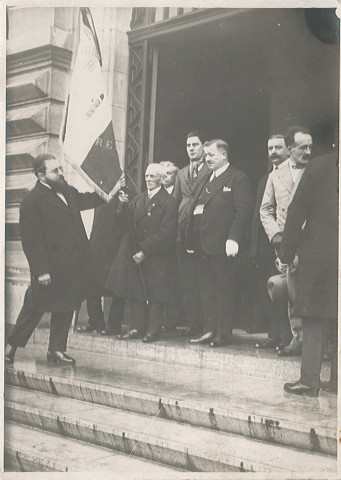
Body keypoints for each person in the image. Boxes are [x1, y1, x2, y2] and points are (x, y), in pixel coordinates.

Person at [5, 154, 121, 365]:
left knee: (66, 306)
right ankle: (10, 347)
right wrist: (41, 270)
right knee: (34, 306)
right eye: (55, 171)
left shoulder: (67, 190)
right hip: (50, 268)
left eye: (60, 169)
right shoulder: (32, 201)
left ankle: (56, 350)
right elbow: (32, 240)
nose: (61, 173)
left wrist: (111, 193)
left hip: (72, 265)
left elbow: (88, 199)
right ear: (41, 175)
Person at [279, 150, 338, 396]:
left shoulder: (319, 167)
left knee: (314, 315)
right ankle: (336, 381)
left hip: (320, 253)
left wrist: (286, 253)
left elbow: (297, 211)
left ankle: (309, 380)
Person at [187, 139, 253, 348]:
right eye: (206, 155)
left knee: (223, 290)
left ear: (224, 155)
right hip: (202, 244)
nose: (207, 158)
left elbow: (243, 211)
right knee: (206, 289)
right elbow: (197, 208)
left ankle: (223, 333)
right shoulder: (206, 178)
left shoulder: (237, 178)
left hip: (223, 245)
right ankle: (209, 329)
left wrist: (233, 238)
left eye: (211, 155)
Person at [105, 163, 178, 343]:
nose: (148, 180)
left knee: (156, 294)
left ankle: (153, 330)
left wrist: (144, 250)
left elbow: (167, 233)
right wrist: (122, 206)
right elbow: (123, 225)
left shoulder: (168, 202)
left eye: (153, 176)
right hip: (136, 253)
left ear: (161, 179)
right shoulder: (138, 199)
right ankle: (136, 327)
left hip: (155, 254)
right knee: (136, 291)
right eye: (146, 176)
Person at [260, 126, 313, 356]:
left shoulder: (315, 170)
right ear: (290, 149)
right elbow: (265, 209)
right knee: (291, 289)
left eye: (310, 147)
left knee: (314, 289)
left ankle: (321, 343)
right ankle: (298, 337)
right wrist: (276, 236)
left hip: (313, 240)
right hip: (286, 243)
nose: (308, 152)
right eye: (303, 147)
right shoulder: (274, 176)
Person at [77, 177, 133, 337]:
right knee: (92, 286)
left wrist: (122, 204)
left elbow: (127, 220)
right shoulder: (101, 194)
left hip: (117, 247)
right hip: (96, 245)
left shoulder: (129, 195)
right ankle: (95, 321)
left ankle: (113, 325)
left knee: (117, 288)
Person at [250, 134, 291, 350]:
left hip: (284, 245)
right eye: (270, 148)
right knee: (269, 293)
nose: (273, 151)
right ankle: (274, 335)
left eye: (278, 147)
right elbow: (259, 214)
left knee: (286, 293)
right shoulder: (264, 179)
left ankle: (288, 338)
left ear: (288, 149)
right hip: (265, 246)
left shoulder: (294, 175)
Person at [173, 131, 210, 336]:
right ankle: (193, 324)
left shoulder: (210, 170)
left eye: (195, 144)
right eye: (188, 145)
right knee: (187, 281)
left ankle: (207, 325)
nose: (191, 148)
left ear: (203, 147)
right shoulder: (181, 173)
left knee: (203, 280)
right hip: (182, 231)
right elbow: (176, 201)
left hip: (201, 232)